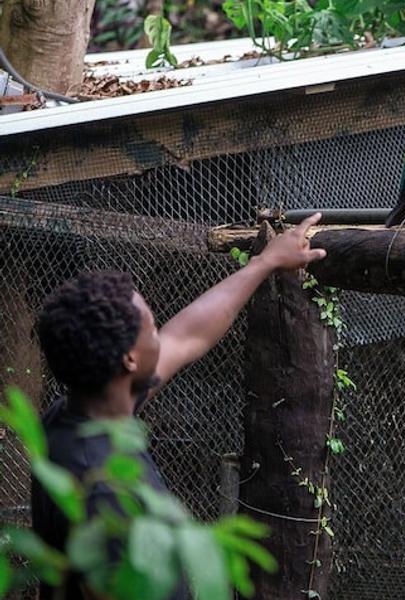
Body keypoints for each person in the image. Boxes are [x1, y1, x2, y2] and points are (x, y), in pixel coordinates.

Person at [30, 213, 326, 600]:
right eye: (151, 328)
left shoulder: (78, 413)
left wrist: (265, 262)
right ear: (129, 360)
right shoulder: (105, 496)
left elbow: (186, 336)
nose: (161, 333)